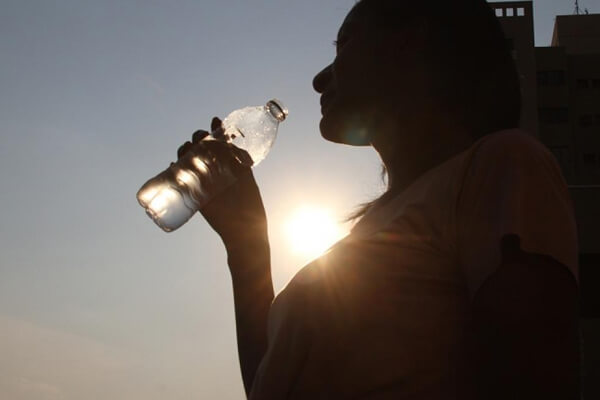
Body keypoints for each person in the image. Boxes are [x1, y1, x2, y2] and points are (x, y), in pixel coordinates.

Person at [178, 0, 581, 398]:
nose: (320, 79)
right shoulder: (368, 235)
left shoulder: (501, 164)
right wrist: (245, 241)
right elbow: (272, 386)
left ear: (408, 44)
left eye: (345, 43)